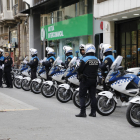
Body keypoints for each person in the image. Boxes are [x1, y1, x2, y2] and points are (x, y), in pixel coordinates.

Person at [76, 44, 99, 118]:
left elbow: (79, 69)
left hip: (85, 80)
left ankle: (83, 113)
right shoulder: (96, 59)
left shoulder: (85, 59)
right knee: (93, 96)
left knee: (82, 96)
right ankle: (93, 112)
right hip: (94, 80)